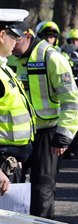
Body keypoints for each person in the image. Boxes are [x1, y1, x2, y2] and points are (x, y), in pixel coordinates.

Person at [9, 20, 78, 219]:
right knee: (10, 189)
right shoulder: (7, 57)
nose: (10, 46)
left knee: (42, 189)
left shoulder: (50, 57)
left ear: (27, 36)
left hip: (46, 134)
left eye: (14, 40)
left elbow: (72, 99)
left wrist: (64, 134)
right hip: (15, 134)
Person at [0, 9, 35, 196]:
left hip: (9, 164)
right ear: (2, 35)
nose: (17, 42)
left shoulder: (5, 69)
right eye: (14, 37)